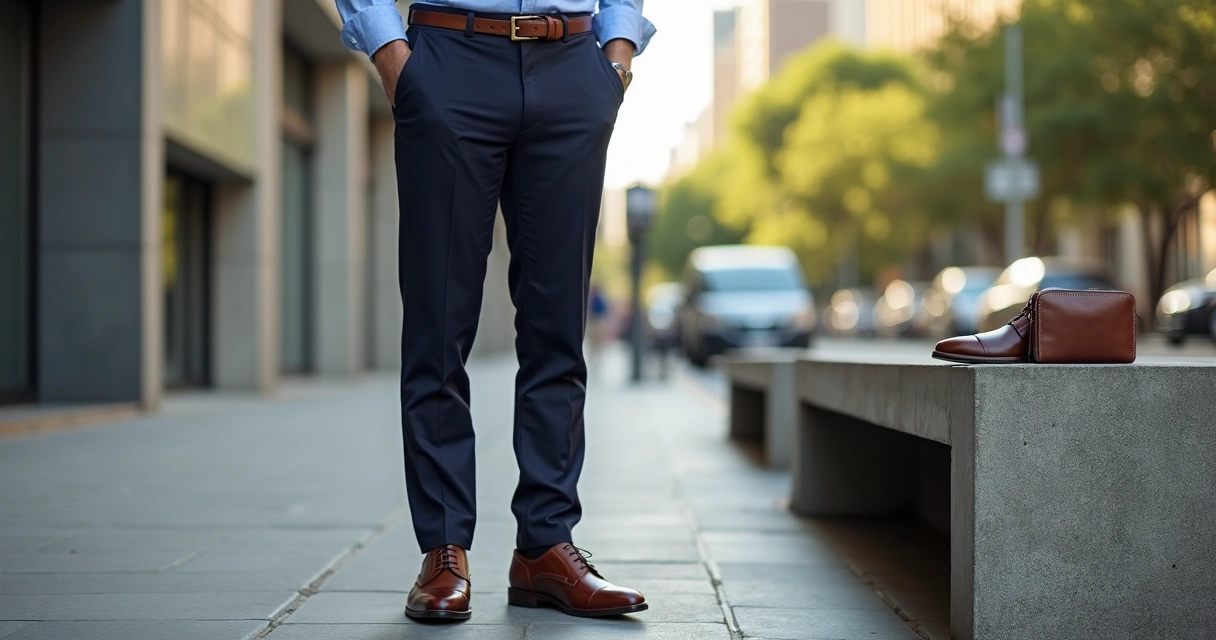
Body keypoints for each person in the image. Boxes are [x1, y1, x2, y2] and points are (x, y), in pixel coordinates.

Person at [334, 0, 656, 623]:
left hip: (572, 66)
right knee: (438, 324)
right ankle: (444, 550)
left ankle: (545, 548)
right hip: (449, 60)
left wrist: (616, 58)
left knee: (558, 329)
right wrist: (390, 53)